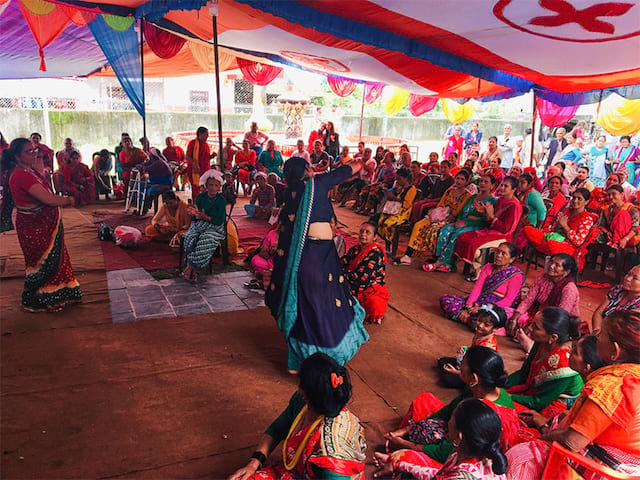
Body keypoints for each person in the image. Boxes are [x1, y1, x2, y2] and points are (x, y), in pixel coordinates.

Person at [506, 310, 640, 480]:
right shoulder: (633, 376)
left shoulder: (611, 387)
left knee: (520, 457)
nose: (596, 335)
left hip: (607, 469)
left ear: (615, 350)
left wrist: (546, 435)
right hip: (630, 467)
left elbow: (572, 442)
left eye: (602, 334)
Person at [265, 157, 369, 373]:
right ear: (307, 170)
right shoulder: (316, 184)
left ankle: (297, 360)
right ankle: (328, 356)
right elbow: (345, 171)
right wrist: (362, 162)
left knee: (303, 309)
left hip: (298, 262)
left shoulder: (289, 191)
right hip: (319, 257)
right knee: (324, 307)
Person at [227, 353, 366, 480]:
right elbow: (277, 429)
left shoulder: (333, 452)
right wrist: (254, 463)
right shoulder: (302, 402)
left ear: (304, 392)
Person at [380, 347, 517, 468]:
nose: (459, 367)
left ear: (474, 378)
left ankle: (400, 449)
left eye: (462, 364)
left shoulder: (482, 412)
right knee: (424, 400)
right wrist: (406, 430)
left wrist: (407, 445)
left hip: (469, 455)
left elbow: (450, 451)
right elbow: (448, 410)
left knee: (404, 458)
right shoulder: (481, 387)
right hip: (456, 435)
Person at [4, 138, 81, 312]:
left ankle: (57, 294)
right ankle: (38, 299)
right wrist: (69, 199)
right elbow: (49, 199)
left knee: (53, 261)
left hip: (44, 224)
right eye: (29, 152)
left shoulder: (27, 170)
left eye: (35, 150)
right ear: (16, 156)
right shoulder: (21, 175)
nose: (34, 154)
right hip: (35, 226)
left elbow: (44, 179)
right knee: (41, 263)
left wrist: (37, 160)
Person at [375, 398, 509, 479]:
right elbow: (439, 475)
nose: (447, 422)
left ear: (459, 436)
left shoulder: (461, 472)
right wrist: (399, 465)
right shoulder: (482, 455)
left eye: (451, 419)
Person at [507, 307, 583, 417]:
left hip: (553, 402)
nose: (530, 328)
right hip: (537, 392)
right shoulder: (542, 342)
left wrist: (506, 395)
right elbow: (525, 372)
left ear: (553, 337)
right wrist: (500, 383)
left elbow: (539, 402)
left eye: (536, 327)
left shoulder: (563, 364)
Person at [420, 174, 498, 272]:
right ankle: (443, 260)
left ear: (492, 186)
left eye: (486, 182)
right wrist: (458, 221)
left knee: (457, 233)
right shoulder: (473, 197)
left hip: (477, 226)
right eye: (481, 181)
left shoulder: (492, 201)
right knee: (445, 230)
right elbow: (462, 212)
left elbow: (486, 220)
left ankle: (443, 264)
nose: (482, 183)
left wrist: (467, 223)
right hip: (463, 222)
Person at [396, 170, 471, 265]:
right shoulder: (449, 191)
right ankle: (408, 255)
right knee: (418, 225)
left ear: (467, 182)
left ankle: (435, 257)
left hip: (450, 220)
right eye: (457, 178)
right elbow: (440, 204)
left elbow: (456, 212)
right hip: (439, 216)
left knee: (434, 229)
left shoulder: (467, 196)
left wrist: (448, 208)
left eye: (462, 179)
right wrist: (442, 211)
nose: (459, 181)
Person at [455, 176, 523, 281]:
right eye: (501, 185)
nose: (502, 188)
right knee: (463, 236)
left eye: (506, 186)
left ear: (514, 190)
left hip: (504, 236)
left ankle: (478, 271)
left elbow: (506, 229)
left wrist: (491, 216)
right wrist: (485, 212)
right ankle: (478, 268)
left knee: (472, 244)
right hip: (491, 231)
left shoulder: (515, 206)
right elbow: (489, 220)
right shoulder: (500, 200)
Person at [440, 242, 523, 324]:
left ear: (512, 259)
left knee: (487, 319)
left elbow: (508, 301)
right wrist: (468, 307)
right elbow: (477, 288)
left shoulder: (515, 275)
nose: (498, 255)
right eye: (497, 251)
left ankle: (467, 319)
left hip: (495, 307)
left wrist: (482, 308)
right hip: (480, 300)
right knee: (446, 299)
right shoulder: (488, 267)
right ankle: (470, 320)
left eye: (503, 253)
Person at [509, 254, 580, 345]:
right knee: (513, 317)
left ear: (566, 272)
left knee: (538, 332)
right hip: (540, 316)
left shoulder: (569, 289)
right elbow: (528, 300)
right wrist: (514, 318)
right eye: (551, 262)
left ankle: (530, 343)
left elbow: (560, 316)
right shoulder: (542, 279)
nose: (551, 266)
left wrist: (532, 326)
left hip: (557, 322)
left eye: (557, 265)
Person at [524, 188, 596, 271]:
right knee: (528, 229)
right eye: (574, 198)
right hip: (554, 238)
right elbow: (553, 230)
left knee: (552, 245)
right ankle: (544, 244)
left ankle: (544, 245)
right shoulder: (567, 211)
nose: (575, 201)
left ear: (586, 202)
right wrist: (557, 225)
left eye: (579, 199)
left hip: (570, 246)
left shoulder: (587, 218)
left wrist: (565, 227)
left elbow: (579, 242)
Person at [437, 304, 507, 388]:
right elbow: (474, 350)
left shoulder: (487, 346)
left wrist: (457, 372)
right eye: (480, 320)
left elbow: (479, 373)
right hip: (471, 364)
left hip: (478, 375)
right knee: (442, 361)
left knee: (447, 379)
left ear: (495, 329)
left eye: (486, 325)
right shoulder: (480, 334)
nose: (480, 325)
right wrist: (466, 349)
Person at [181, 171, 226, 282]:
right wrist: (194, 214)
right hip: (199, 224)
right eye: (210, 185)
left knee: (206, 240)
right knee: (189, 237)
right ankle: (192, 270)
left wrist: (205, 217)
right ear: (206, 186)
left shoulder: (221, 200)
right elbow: (195, 218)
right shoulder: (200, 197)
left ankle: (190, 268)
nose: (213, 188)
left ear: (219, 187)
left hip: (215, 227)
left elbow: (219, 220)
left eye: (216, 185)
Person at [342, 221, 389, 324]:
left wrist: (341, 274)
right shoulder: (355, 250)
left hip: (368, 290)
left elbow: (361, 279)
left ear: (375, 237)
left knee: (374, 305)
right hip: (352, 286)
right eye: (361, 231)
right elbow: (342, 263)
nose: (363, 234)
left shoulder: (376, 254)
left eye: (368, 232)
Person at [591, 265, 640, 333]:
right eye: (628, 274)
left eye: (635, 278)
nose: (627, 278)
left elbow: (623, 333)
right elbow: (598, 312)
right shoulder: (618, 290)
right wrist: (597, 330)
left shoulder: (638, 307)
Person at [377, 168, 417, 251]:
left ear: (406, 178)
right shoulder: (398, 187)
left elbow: (406, 205)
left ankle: (391, 246)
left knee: (387, 224)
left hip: (403, 213)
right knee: (380, 221)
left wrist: (394, 198)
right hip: (394, 210)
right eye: (397, 179)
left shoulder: (411, 189)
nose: (397, 181)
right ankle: (387, 245)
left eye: (399, 179)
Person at [137, 147, 174, 214]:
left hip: (164, 184)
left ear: (153, 155)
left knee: (147, 189)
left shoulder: (158, 163)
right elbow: (144, 165)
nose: (149, 156)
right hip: (158, 182)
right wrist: (141, 165)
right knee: (140, 186)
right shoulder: (154, 161)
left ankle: (144, 207)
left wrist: (141, 167)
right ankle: (143, 207)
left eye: (150, 154)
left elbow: (146, 168)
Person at [186, 126, 216, 203]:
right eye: (206, 134)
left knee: (205, 188)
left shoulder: (205, 144)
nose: (207, 136)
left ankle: (204, 204)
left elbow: (205, 157)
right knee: (196, 189)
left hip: (205, 170)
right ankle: (196, 204)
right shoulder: (193, 143)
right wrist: (194, 164)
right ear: (200, 134)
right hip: (195, 170)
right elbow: (187, 156)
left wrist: (212, 156)